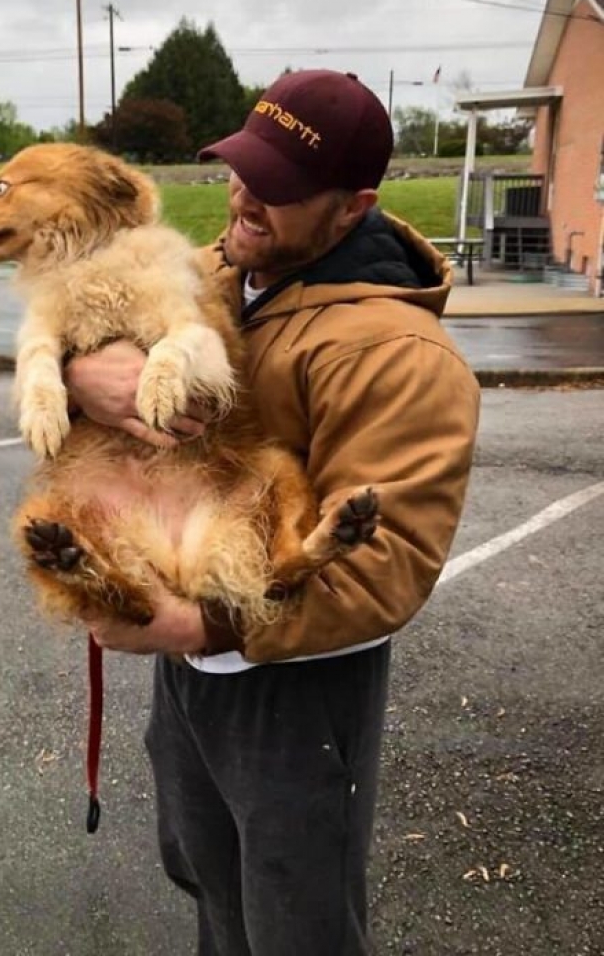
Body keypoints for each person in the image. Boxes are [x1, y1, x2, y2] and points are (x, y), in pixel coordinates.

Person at [64, 69, 481, 955]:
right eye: (241, 166)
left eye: (280, 186)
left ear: (350, 206)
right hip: (190, 665)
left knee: (297, 918)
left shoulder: (395, 351)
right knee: (205, 873)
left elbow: (385, 560)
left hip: (295, 676)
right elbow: (82, 327)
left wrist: (195, 620)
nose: (244, 196)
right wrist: (79, 379)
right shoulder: (219, 272)